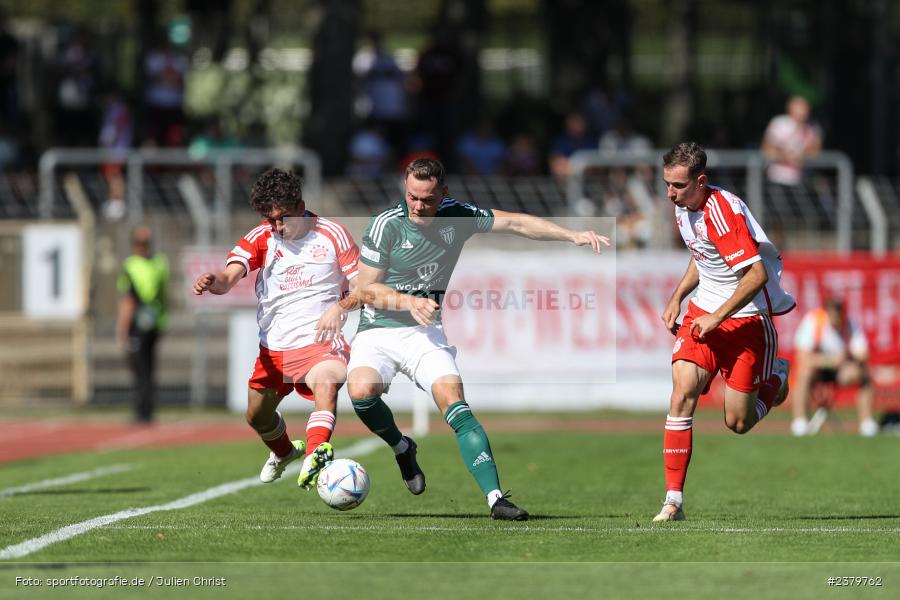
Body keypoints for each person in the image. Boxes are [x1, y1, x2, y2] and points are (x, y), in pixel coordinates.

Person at [344, 157, 609, 520]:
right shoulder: (386, 225)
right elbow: (365, 290)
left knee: (456, 404)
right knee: (360, 393)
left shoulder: (459, 215)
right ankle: (402, 446)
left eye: (428, 199)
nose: (419, 206)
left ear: (444, 193)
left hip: (424, 333)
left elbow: (515, 222)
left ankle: (496, 499)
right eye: (412, 198)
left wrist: (571, 235)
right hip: (378, 331)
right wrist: (408, 301)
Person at [192, 168, 361, 488]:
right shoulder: (262, 237)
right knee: (256, 417)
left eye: (283, 217)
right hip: (274, 348)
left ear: (300, 205)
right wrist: (216, 282)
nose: (277, 227)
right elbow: (230, 276)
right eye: (271, 220)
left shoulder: (332, 234)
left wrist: (340, 308)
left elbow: (362, 287)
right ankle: (284, 452)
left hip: (320, 342)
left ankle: (316, 455)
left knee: (326, 383)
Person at [655, 142, 796, 523]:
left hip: (747, 321)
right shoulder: (684, 206)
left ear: (701, 181)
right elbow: (703, 255)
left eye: (678, 186)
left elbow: (756, 275)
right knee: (682, 392)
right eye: (667, 183)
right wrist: (677, 297)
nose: (670, 192)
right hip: (705, 314)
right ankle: (673, 502)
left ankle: (776, 379)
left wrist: (717, 317)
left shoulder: (723, 212)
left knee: (737, 423)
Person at [791, 298, 878, 437]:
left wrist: (849, 356)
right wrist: (830, 361)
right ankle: (800, 422)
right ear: (826, 312)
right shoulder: (814, 321)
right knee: (803, 372)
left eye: (839, 312)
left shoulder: (850, 324)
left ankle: (867, 423)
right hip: (818, 370)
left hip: (841, 371)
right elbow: (803, 357)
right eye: (833, 312)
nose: (836, 317)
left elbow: (863, 353)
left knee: (863, 374)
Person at [116, 225, 170, 424]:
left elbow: (130, 301)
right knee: (143, 367)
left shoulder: (151, 264)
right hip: (143, 322)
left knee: (143, 367)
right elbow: (128, 299)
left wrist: (122, 329)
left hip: (145, 324)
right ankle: (144, 409)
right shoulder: (148, 264)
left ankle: (144, 411)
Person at [761, 95, 822, 187]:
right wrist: (788, 157)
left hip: (801, 179)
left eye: (805, 108)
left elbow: (816, 150)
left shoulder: (812, 127)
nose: (804, 112)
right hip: (777, 177)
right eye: (801, 108)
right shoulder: (779, 123)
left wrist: (802, 156)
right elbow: (767, 148)